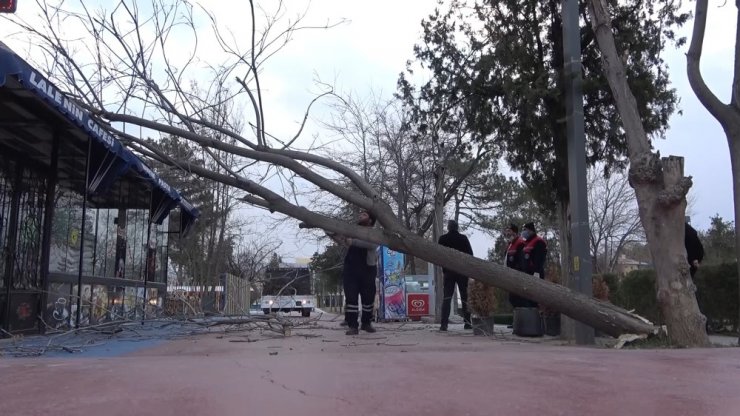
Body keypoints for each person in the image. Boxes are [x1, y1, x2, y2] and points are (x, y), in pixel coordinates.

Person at [329, 210, 379, 335]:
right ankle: (352, 326)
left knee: (368, 299)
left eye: (364, 215)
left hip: (368, 269)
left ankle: (366, 323)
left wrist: (353, 241)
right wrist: (332, 234)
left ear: (370, 220)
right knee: (351, 298)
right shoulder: (352, 231)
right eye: (360, 214)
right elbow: (344, 242)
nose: (360, 215)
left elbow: (372, 244)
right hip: (351, 269)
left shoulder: (374, 232)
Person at [437, 220, 473, 331]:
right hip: (462, 271)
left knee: (447, 297)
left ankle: (444, 324)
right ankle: (467, 323)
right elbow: (470, 254)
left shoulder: (442, 239)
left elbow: (438, 255)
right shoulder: (463, 238)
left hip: (449, 271)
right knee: (464, 297)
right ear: (457, 228)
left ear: (448, 227)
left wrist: (444, 269)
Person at [518, 222, 547, 308]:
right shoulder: (527, 243)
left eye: (525, 230)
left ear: (530, 230)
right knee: (528, 299)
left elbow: (540, 258)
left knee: (535, 298)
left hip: (535, 274)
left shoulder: (538, 241)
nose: (523, 232)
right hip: (527, 274)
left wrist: (537, 272)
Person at [504, 223, 529, 308]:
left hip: (517, 277)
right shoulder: (509, 245)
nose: (507, 233)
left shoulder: (520, 243)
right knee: (512, 299)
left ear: (515, 232)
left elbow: (522, 263)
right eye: (506, 231)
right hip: (509, 276)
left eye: (509, 231)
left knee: (519, 300)